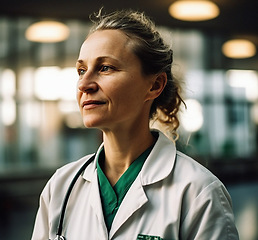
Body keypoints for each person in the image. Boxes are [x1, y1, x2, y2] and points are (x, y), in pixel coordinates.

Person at [31, 9, 239, 240]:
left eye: (105, 68)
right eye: (81, 70)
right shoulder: (61, 186)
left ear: (154, 85)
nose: (84, 84)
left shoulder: (199, 192)